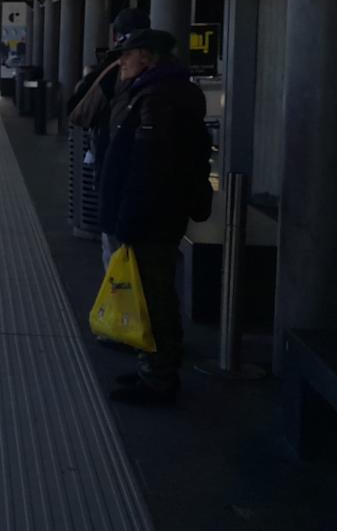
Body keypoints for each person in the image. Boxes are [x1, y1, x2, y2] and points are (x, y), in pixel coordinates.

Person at [98, 29, 210, 406]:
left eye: (127, 55)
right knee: (153, 290)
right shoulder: (162, 91)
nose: (121, 61)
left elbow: (150, 165)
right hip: (160, 210)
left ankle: (159, 378)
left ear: (147, 57)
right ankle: (153, 364)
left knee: (153, 294)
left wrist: (129, 216)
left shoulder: (158, 98)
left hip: (153, 214)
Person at [66, 8, 151, 267]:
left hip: (117, 163)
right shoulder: (171, 69)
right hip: (159, 175)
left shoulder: (114, 69)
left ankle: (120, 287)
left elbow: (79, 111)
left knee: (115, 240)